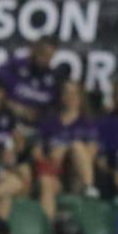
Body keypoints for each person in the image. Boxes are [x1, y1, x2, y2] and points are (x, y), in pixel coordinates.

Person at [30, 78, 97, 219]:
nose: (70, 97)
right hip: (54, 173)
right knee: (46, 183)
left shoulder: (88, 124)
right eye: (66, 93)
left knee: (77, 146)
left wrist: (65, 150)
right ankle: (48, 230)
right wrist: (51, 160)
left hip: (76, 176)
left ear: (80, 98)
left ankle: (88, 188)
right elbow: (36, 153)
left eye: (74, 93)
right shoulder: (49, 123)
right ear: (61, 97)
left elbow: (90, 154)